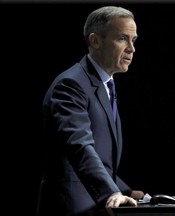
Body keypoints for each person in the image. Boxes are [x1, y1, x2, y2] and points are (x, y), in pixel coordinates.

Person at [36, 6, 144, 216]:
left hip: (92, 207)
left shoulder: (105, 85)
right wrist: (110, 192)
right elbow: (80, 147)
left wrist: (126, 190)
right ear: (95, 41)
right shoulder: (71, 85)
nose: (132, 48)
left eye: (134, 40)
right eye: (123, 39)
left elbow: (101, 158)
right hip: (71, 208)